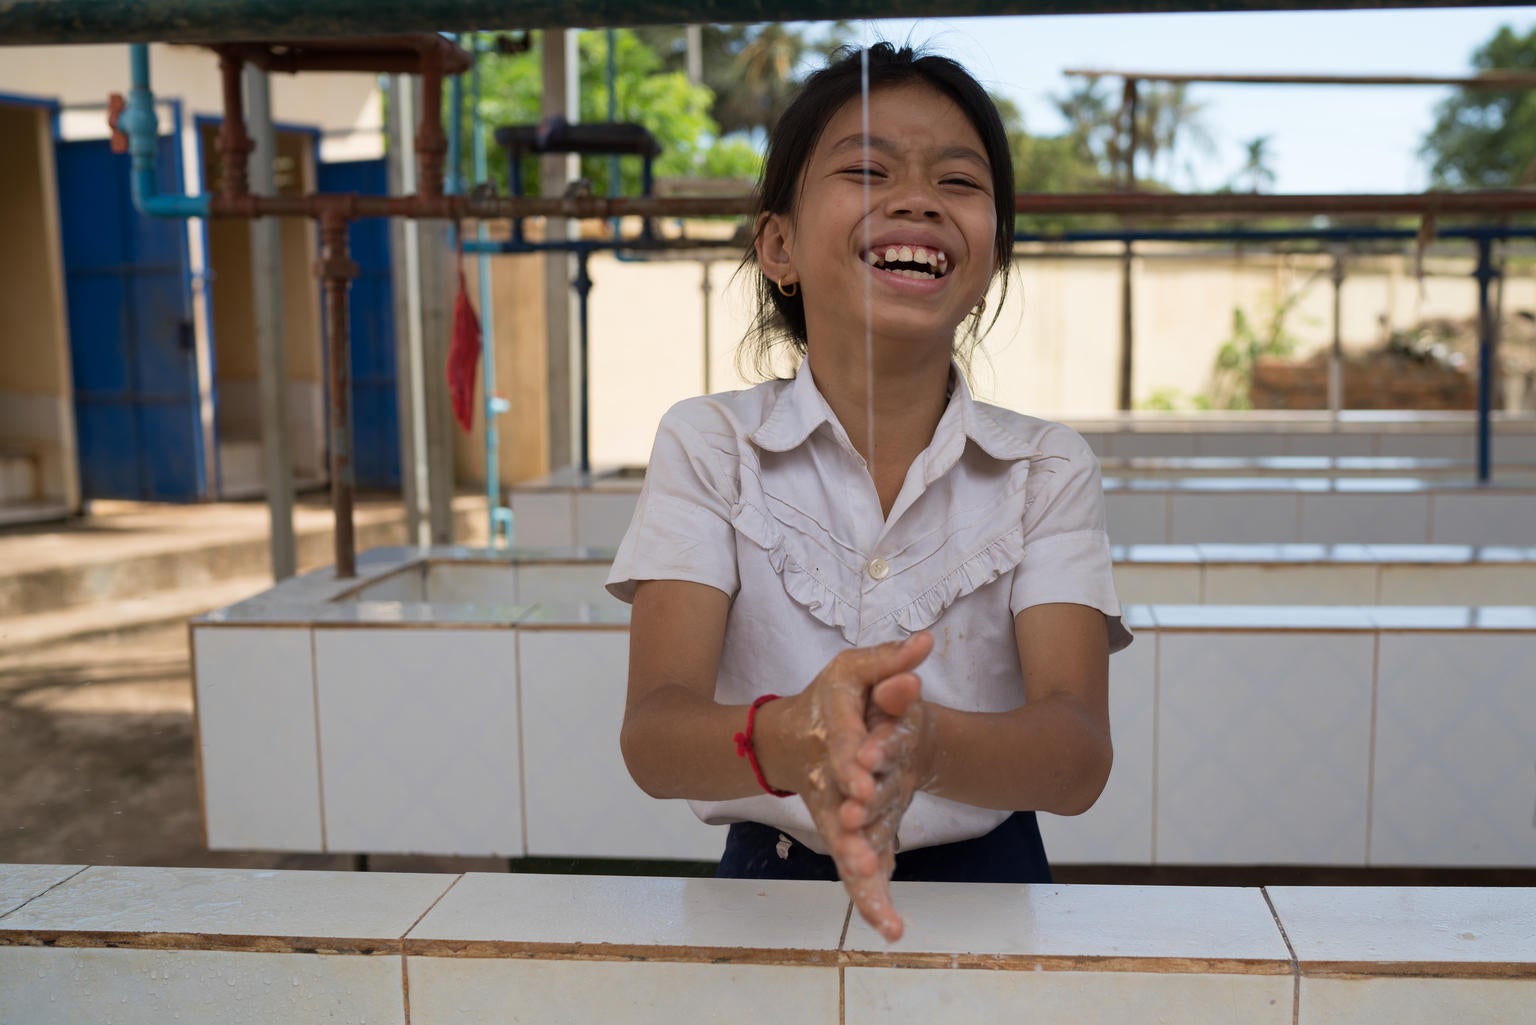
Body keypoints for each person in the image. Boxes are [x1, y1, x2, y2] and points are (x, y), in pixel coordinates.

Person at [608, 42, 1132, 942]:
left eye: (959, 182)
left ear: (993, 253)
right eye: (866, 168)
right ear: (778, 244)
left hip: (995, 890)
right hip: (763, 896)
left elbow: (1077, 752)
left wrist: (927, 747)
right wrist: (799, 734)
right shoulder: (710, 445)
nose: (918, 198)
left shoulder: (1046, 467)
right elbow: (655, 736)